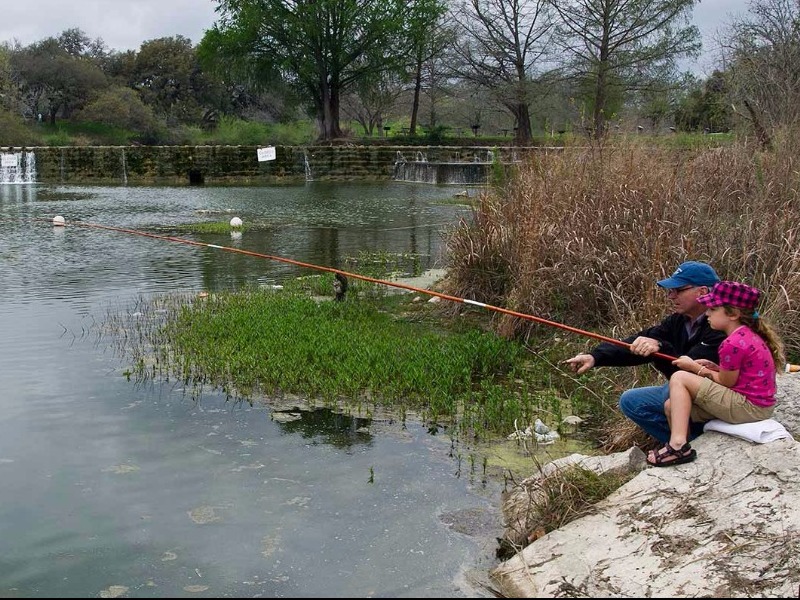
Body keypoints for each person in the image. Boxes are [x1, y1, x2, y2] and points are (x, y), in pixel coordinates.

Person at [563, 260, 726, 443]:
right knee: (631, 401)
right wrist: (595, 357)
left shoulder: (722, 325)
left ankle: (686, 445)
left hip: (715, 393)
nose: (670, 296)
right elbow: (638, 342)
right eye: (669, 290)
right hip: (685, 390)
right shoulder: (678, 320)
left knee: (671, 397)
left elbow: (689, 370)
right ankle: (692, 442)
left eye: (678, 290)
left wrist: (660, 348)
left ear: (702, 291)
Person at [647, 281, 784, 466]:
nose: (707, 313)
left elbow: (726, 383)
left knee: (679, 377)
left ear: (733, 314)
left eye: (712, 309)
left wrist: (696, 368)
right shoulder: (747, 335)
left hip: (749, 407)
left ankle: (677, 446)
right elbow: (737, 376)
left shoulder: (732, 343)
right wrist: (715, 367)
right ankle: (685, 448)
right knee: (672, 406)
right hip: (756, 405)